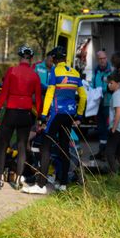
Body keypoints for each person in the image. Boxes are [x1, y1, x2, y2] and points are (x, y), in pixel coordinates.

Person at [23, 46, 86, 195]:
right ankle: (63, 183)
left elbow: (50, 93)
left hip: (56, 113)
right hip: (69, 115)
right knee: (64, 147)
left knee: (45, 146)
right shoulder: (75, 73)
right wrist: (79, 114)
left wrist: (43, 115)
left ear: (55, 59)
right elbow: (83, 96)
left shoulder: (55, 71)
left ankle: (41, 185)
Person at [0, 45, 42, 190]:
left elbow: (4, 92)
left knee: (3, 145)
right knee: (22, 147)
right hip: (26, 113)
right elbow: (38, 99)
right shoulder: (34, 75)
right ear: (31, 59)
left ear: (20, 58)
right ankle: (18, 180)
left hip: (11, 112)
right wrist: (39, 118)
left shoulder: (12, 71)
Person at [105, 72, 120, 173]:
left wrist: (113, 128)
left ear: (118, 84)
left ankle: (113, 173)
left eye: (111, 83)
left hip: (118, 127)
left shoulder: (116, 95)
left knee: (109, 151)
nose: (109, 85)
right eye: (108, 83)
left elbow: (118, 112)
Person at [92, 49, 112, 159]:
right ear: (97, 60)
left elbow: (112, 86)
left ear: (106, 58)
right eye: (100, 59)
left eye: (104, 58)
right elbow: (93, 84)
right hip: (98, 104)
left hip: (108, 103)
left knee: (109, 127)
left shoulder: (111, 71)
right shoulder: (96, 71)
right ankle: (102, 151)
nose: (102, 60)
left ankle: (109, 152)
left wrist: (101, 90)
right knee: (100, 128)